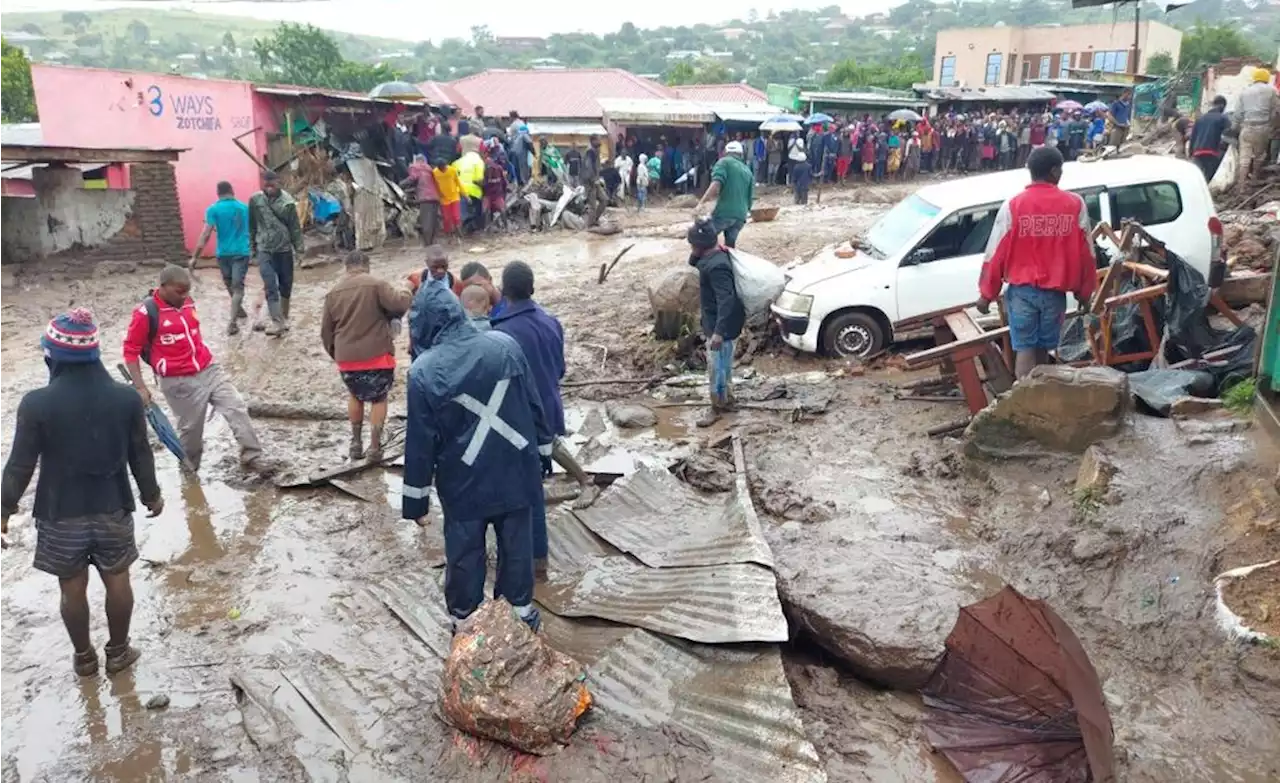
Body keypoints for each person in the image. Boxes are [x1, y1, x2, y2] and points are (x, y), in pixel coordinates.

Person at [1, 308, 163, 677]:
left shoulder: (36, 404)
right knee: (118, 580)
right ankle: (119, 653)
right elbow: (141, 453)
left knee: (72, 589)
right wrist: (151, 495)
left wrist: (3, 510)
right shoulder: (126, 399)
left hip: (60, 514)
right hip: (113, 509)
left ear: (52, 355)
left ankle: (84, 658)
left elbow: (19, 465)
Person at [401, 284, 552, 634]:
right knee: (517, 548)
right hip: (516, 470)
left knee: (465, 555)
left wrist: (416, 503)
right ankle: (519, 621)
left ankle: (466, 625)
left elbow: (420, 444)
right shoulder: (506, 346)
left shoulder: (423, 371)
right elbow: (534, 406)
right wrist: (543, 452)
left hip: (463, 482)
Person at [123, 265, 272, 473]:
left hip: (208, 368)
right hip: (178, 380)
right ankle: (190, 473)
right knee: (191, 432)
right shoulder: (145, 313)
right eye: (179, 291)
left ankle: (252, 455)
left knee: (236, 406)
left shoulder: (187, 302)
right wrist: (140, 387)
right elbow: (130, 351)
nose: (184, 296)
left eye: (187, 291)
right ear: (163, 287)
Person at [977, 147, 1097, 378]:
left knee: (1024, 349)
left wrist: (986, 295)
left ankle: (1023, 400)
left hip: (1021, 293)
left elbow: (995, 254)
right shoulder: (1075, 204)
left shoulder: (1013, 206)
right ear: (1054, 171)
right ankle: (1040, 399)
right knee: (1044, 349)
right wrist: (1085, 293)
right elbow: (1087, 255)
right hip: (1054, 295)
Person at [321, 251, 413, 461]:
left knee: (355, 395)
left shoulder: (333, 292)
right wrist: (407, 289)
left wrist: (338, 355)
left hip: (347, 359)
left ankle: (355, 443)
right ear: (367, 265)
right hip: (377, 356)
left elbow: (326, 332)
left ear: (347, 267)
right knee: (379, 398)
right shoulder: (377, 284)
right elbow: (399, 304)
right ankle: (374, 447)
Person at [685, 219, 744, 428]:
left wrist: (718, 332)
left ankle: (717, 408)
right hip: (721, 322)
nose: (691, 248)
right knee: (724, 366)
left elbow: (726, 300)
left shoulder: (717, 266)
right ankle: (727, 400)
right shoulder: (711, 256)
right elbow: (692, 263)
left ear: (700, 246)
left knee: (717, 368)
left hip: (723, 327)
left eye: (692, 245)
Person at [190, 181, 251, 335]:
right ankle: (237, 313)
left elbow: (206, 234)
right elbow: (253, 230)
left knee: (230, 284)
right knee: (238, 287)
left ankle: (233, 320)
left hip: (223, 254)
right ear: (232, 190)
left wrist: (194, 257)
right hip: (241, 252)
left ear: (218, 193)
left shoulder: (213, 209)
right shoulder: (244, 208)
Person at [247, 171, 303, 336]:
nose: (269, 187)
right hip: (265, 249)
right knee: (270, 286)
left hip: (284, 250)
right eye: (266, 184)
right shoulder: (255, 200)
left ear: (279, 183)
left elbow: (295, 228)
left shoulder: (288, 203)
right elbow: (251, 226)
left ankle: (283, 317)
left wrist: (299, 250)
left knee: (286, 285)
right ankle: (277, 322)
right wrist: (252, 249)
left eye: (272, 184)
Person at [694, 140, 754, 249]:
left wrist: (701, 202)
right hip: (740, 216)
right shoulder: (747, 170)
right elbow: (750, 199)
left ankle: (702, 262)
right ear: (741, 154)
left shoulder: (724, 162)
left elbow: (716, 185)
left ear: (725, 152)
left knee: (705, 240)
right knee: (730, 247)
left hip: (724, 212)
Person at [1233, 69, 1279, 191]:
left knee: (1244, 158)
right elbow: (1276, 110)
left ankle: (1241, 185)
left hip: (1246, 127)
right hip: (1262, 128)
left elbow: (1238, 113)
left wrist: (1235, 127)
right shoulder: (1272, 91)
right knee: (1259, 155)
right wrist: (1273, 125)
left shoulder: (1245, 91)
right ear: (1267, 78)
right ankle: (1254, 179)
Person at [1189, 96, 1232, 183]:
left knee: (1198, 178)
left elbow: (1193, 137)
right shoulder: (1223, 118)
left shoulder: (1200, 119)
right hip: (1212, 152)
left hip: (1197, 152)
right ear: (1222, 105)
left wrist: (1191, 152)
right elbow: (1229, 135)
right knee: (1209, 178)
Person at [402, 154, 441, 247]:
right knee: (433, 221)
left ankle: (428, 244)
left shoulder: (414, 166)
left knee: (426, 221)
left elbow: (413, 178)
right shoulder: (429, 168)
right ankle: (433, 242)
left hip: (425, 197)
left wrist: (400, 184)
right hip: (435, 197)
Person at [432, 159, 463, 242]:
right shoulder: (435, 173)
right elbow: (435, 185)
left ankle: (459, 233)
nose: (443, 169)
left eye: (444, 167)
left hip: (454, 197)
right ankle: (448, 234)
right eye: (441, 168)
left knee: (456, 216)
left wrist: (465, 195)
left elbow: (458, 182)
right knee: (446, 219)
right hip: (444, 199)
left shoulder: (452, 170)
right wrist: (438, 195)